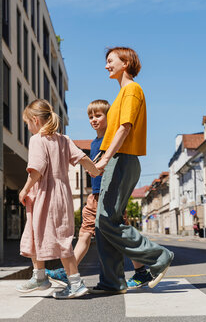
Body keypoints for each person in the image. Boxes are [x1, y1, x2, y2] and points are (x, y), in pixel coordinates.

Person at [91, 47, 174, 294]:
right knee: (102, 223)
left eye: (110, 61)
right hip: (118, 159)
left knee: (107, 220)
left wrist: (105, 159)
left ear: (125, 62)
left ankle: (159, 256)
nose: (106, 66)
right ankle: (111, 281)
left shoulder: (131, 90)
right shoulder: (120, 94)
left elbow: (124, 127)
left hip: (122, 159)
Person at [45, 99, 150, 290]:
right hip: (95, 195)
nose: (93, 120)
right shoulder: (94, 143)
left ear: (108, 116)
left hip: (109, 195)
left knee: (117, 235)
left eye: (98, 115)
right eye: (90, 117)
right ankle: (69, 270)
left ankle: (141, 271)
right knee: (87, 232)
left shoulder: (110, 141)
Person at [16, 99, 101, 299]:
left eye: (27, 123)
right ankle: (40, 276)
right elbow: (83, 159)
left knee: (55, 239)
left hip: (46, 193)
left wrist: (24, 190)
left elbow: (36, 170)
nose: (28, 128)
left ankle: (74, 284)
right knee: (50, 235)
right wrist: (96, 171)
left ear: (35, 120)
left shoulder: (37, 139)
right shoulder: (64, 139)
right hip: (63, 194)